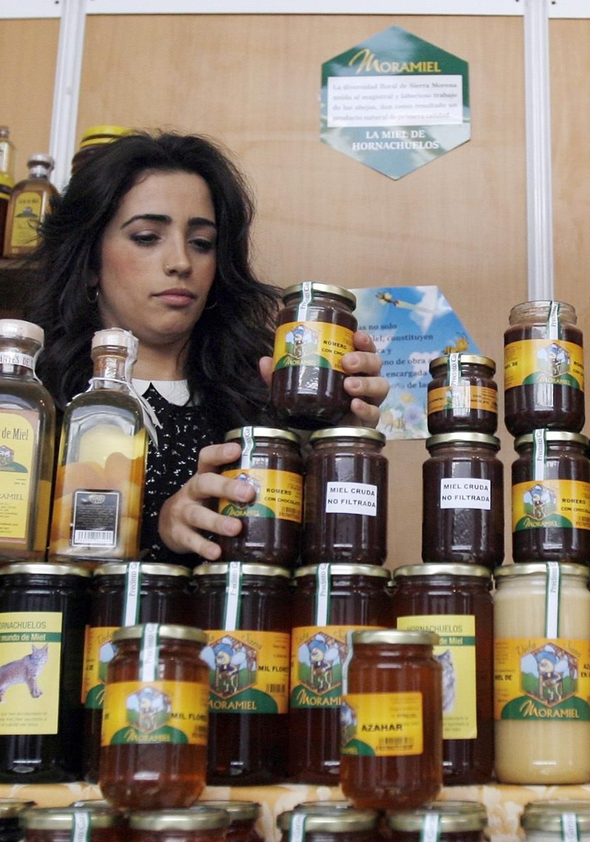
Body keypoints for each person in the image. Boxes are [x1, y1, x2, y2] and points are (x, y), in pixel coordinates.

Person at [25, 132, 389, 564]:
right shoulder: (33, 403)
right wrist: (160, 532)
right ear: (88, 264)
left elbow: (319, 562)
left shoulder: (265, 389)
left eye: (202, 243)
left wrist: (332, 440)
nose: (181, 261)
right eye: (146, 237)